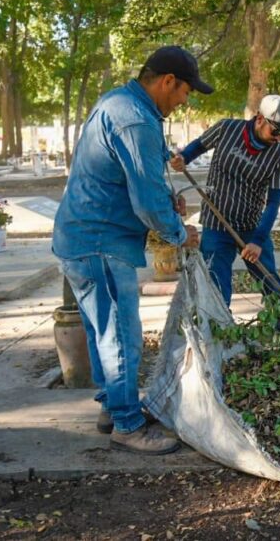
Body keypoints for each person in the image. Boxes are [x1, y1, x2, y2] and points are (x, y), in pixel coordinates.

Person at [52, 45, 212, 455]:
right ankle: (128, 426)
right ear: (167, 82)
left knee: (100, 330)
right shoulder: (136, 119)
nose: (183, 101)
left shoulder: (119, 103)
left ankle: (113, 406)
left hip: (82, 238)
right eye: (184, 93)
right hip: (100, 241)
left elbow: (145, 177)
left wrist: (168, 198)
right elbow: (146, 201)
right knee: (121, 336)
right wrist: (179, 232)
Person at [171, 94, 280, 308]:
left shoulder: (279, 156)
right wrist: (184, 158)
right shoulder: (226, 129)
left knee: (270, 283)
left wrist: (258, 241)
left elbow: (274, 202)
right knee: (216, 286)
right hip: (216, 224)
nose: (279, 137)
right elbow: (198, 146)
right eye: (276, 131)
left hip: (252, 226)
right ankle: (220, 333)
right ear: (259, 119)